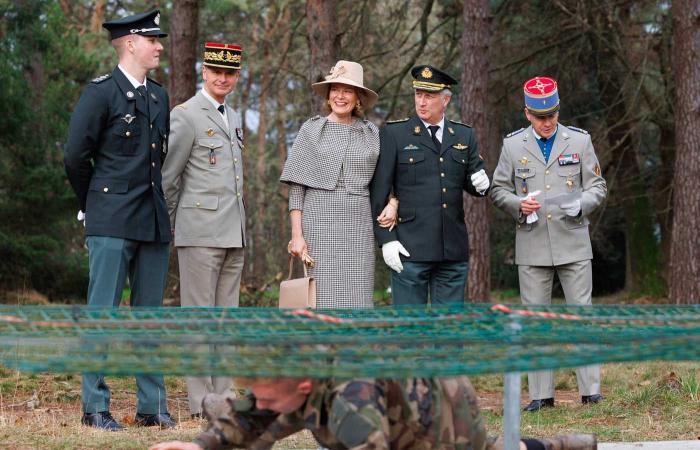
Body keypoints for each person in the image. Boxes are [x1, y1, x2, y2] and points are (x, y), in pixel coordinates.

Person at [63, 10, 175, 430]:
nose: (159, 45)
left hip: (151, 220)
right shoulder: (100, 93)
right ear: (130, 43)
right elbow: (75, 156)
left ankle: (152, 407)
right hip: (110, 219)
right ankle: (95, 407)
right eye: (152, 39)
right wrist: (90, 203)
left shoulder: (159, 96)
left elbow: (155, 159)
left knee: (151, 318)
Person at [490, 76, 607, 412]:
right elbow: (499, 190)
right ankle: (541, 395)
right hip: (533, 243)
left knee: (581, 316)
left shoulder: (579, 141)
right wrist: (517, 205)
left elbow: (597, 186)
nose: (547, 122)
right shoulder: (513, 146)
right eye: (540, 116)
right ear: (527, 113)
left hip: (572, 239)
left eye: (552, 115)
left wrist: (582, 203)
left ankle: (591, 391)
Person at [149, 376, 597, 450]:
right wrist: (199, 443)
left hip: (439, 407)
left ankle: (559, 445)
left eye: (268, 398)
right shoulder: (281, 380)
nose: (260, 403)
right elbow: (249, 415)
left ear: (303, 388)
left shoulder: (351, 402)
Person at [161, 42, 245, 417]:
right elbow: (168, 178)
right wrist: (181, 224)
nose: (222, 78)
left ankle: (224, 398)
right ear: (204, 72)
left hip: (233, 231)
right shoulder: (186, 115)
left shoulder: (234, 115)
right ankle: (199, 403)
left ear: (237, 76)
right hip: (199, 231)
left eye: (229, 73)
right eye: (216, 71)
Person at [369, 65, 491, 305]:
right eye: (418, 95)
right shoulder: (396, 134)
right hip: (409, 248)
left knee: (449, 330)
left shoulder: (463, 135)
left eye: (430, 96)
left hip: (451, 251)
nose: (422, 102)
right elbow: (379, 192)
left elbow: (472, 184)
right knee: (410, 330)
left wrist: (482, 184)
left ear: (445, 100)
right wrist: (386, 239)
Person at [280, 60, 380, 308]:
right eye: (335, 89)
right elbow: (296, 187)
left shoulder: (371, 132)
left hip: (359, 226)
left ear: (358, 97)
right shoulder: (312, 129)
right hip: (318, 225)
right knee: (319, 295)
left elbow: (385, 180)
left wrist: (393, 202)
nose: (340, 96)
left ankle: (353, 345)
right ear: (328, 94)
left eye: (347, 90)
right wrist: (297, 236)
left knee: (357, 295)